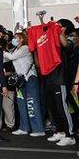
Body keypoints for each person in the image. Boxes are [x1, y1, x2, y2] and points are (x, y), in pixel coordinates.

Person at [28, 16, 76, 146]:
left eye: (58, 25)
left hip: (60, 79)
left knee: (62, 108)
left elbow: (65, 45)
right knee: (53, 108)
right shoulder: (49, 40)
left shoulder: (70, 40)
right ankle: (60, 131)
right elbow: (38, 63)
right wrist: (37, 48)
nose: (54, 26)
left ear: (64, 28)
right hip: (48, 78)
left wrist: (59, 32)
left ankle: (70, 135)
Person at [3, 30, 45, 137]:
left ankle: (38, 129)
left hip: (29, 78)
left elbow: (11, 57)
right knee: (21, 103)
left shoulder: (25, 48)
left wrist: (1, 52)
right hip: (20, 80)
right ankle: (24, 127)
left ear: (22, 39)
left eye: (17, 37)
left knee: (31, 103)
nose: (15, 39)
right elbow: (7, 58)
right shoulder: (15, 49)